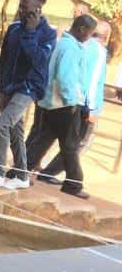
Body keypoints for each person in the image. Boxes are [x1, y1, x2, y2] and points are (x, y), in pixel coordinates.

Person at [0, 0, 57, 190]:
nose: (21, 10)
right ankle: (22, 176)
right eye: (21, 5)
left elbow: (38, 60)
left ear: (38, 9)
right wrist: (0, 83)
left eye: (26, 7)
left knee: (2, 125)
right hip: (6, 86)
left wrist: (31, 32)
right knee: (15, 131)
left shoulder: (48, 34)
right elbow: (4, 58)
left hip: (28, 87)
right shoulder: (14, 28)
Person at [26, 14, 98, 199]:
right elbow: (66, 77)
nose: (89, 37)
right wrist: (71, 101)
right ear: (82, 29)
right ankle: (73, 185)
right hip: (64, 104)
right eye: (90, 33)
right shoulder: (70, 48)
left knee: (44, 140)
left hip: (52, 103)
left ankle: (19, 171)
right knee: (70, 146)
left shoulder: (63, 44)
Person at [39, 19, 110, 185]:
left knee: (49, 138)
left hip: (61, 101)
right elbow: (92, 81)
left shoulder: (77, 45)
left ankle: (26, 168)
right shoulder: (94, 50)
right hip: (77, 103)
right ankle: (67, 181)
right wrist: (92, 108)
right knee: (74, 144)